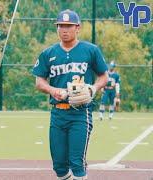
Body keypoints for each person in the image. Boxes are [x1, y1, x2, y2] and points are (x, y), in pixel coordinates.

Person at [32, 9, 108, 180]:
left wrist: (93, 89)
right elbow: (39, 81)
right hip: (58, 113)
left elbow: (104, 76)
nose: (64, 29)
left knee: (77, 163)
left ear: (77, 28)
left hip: (80, 113)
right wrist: (52, 90)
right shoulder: (48, 53)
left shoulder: (90, 50)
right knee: (59, 165)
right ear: (57, 28)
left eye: (68, 26)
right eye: (61, 26)